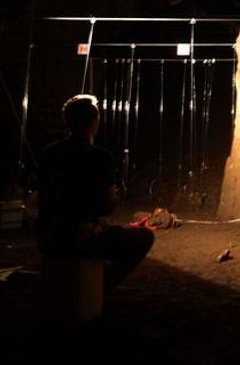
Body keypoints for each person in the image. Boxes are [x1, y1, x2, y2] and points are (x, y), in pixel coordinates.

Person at [34, 94, 154, 292]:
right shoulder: (100, 157)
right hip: (79, 240)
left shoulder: (48, 153)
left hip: (47, 238)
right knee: (144, 237)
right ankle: (102, 286)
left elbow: (46, 199)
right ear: (93, 122)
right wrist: (113, 198)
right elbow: (107, 206)